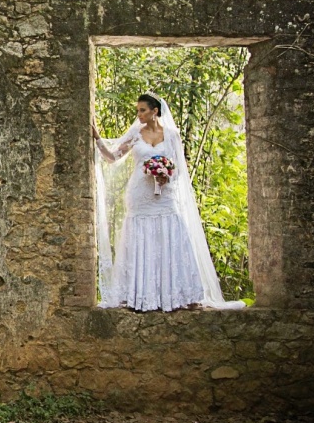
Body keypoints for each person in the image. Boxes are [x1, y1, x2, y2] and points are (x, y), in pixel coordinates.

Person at [91, 92, 244, 312]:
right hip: (140, 195)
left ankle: (177, 294)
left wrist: (166, 175)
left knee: (171, 231)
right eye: (138, 111)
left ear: (155, 111)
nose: (139, 114)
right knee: (140, 235)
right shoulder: (135, 133)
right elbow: (112, 157)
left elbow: (180, 167)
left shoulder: (172, 135)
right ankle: (138, 295)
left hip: (165, 196)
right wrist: (98, 139)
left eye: (143, 110)